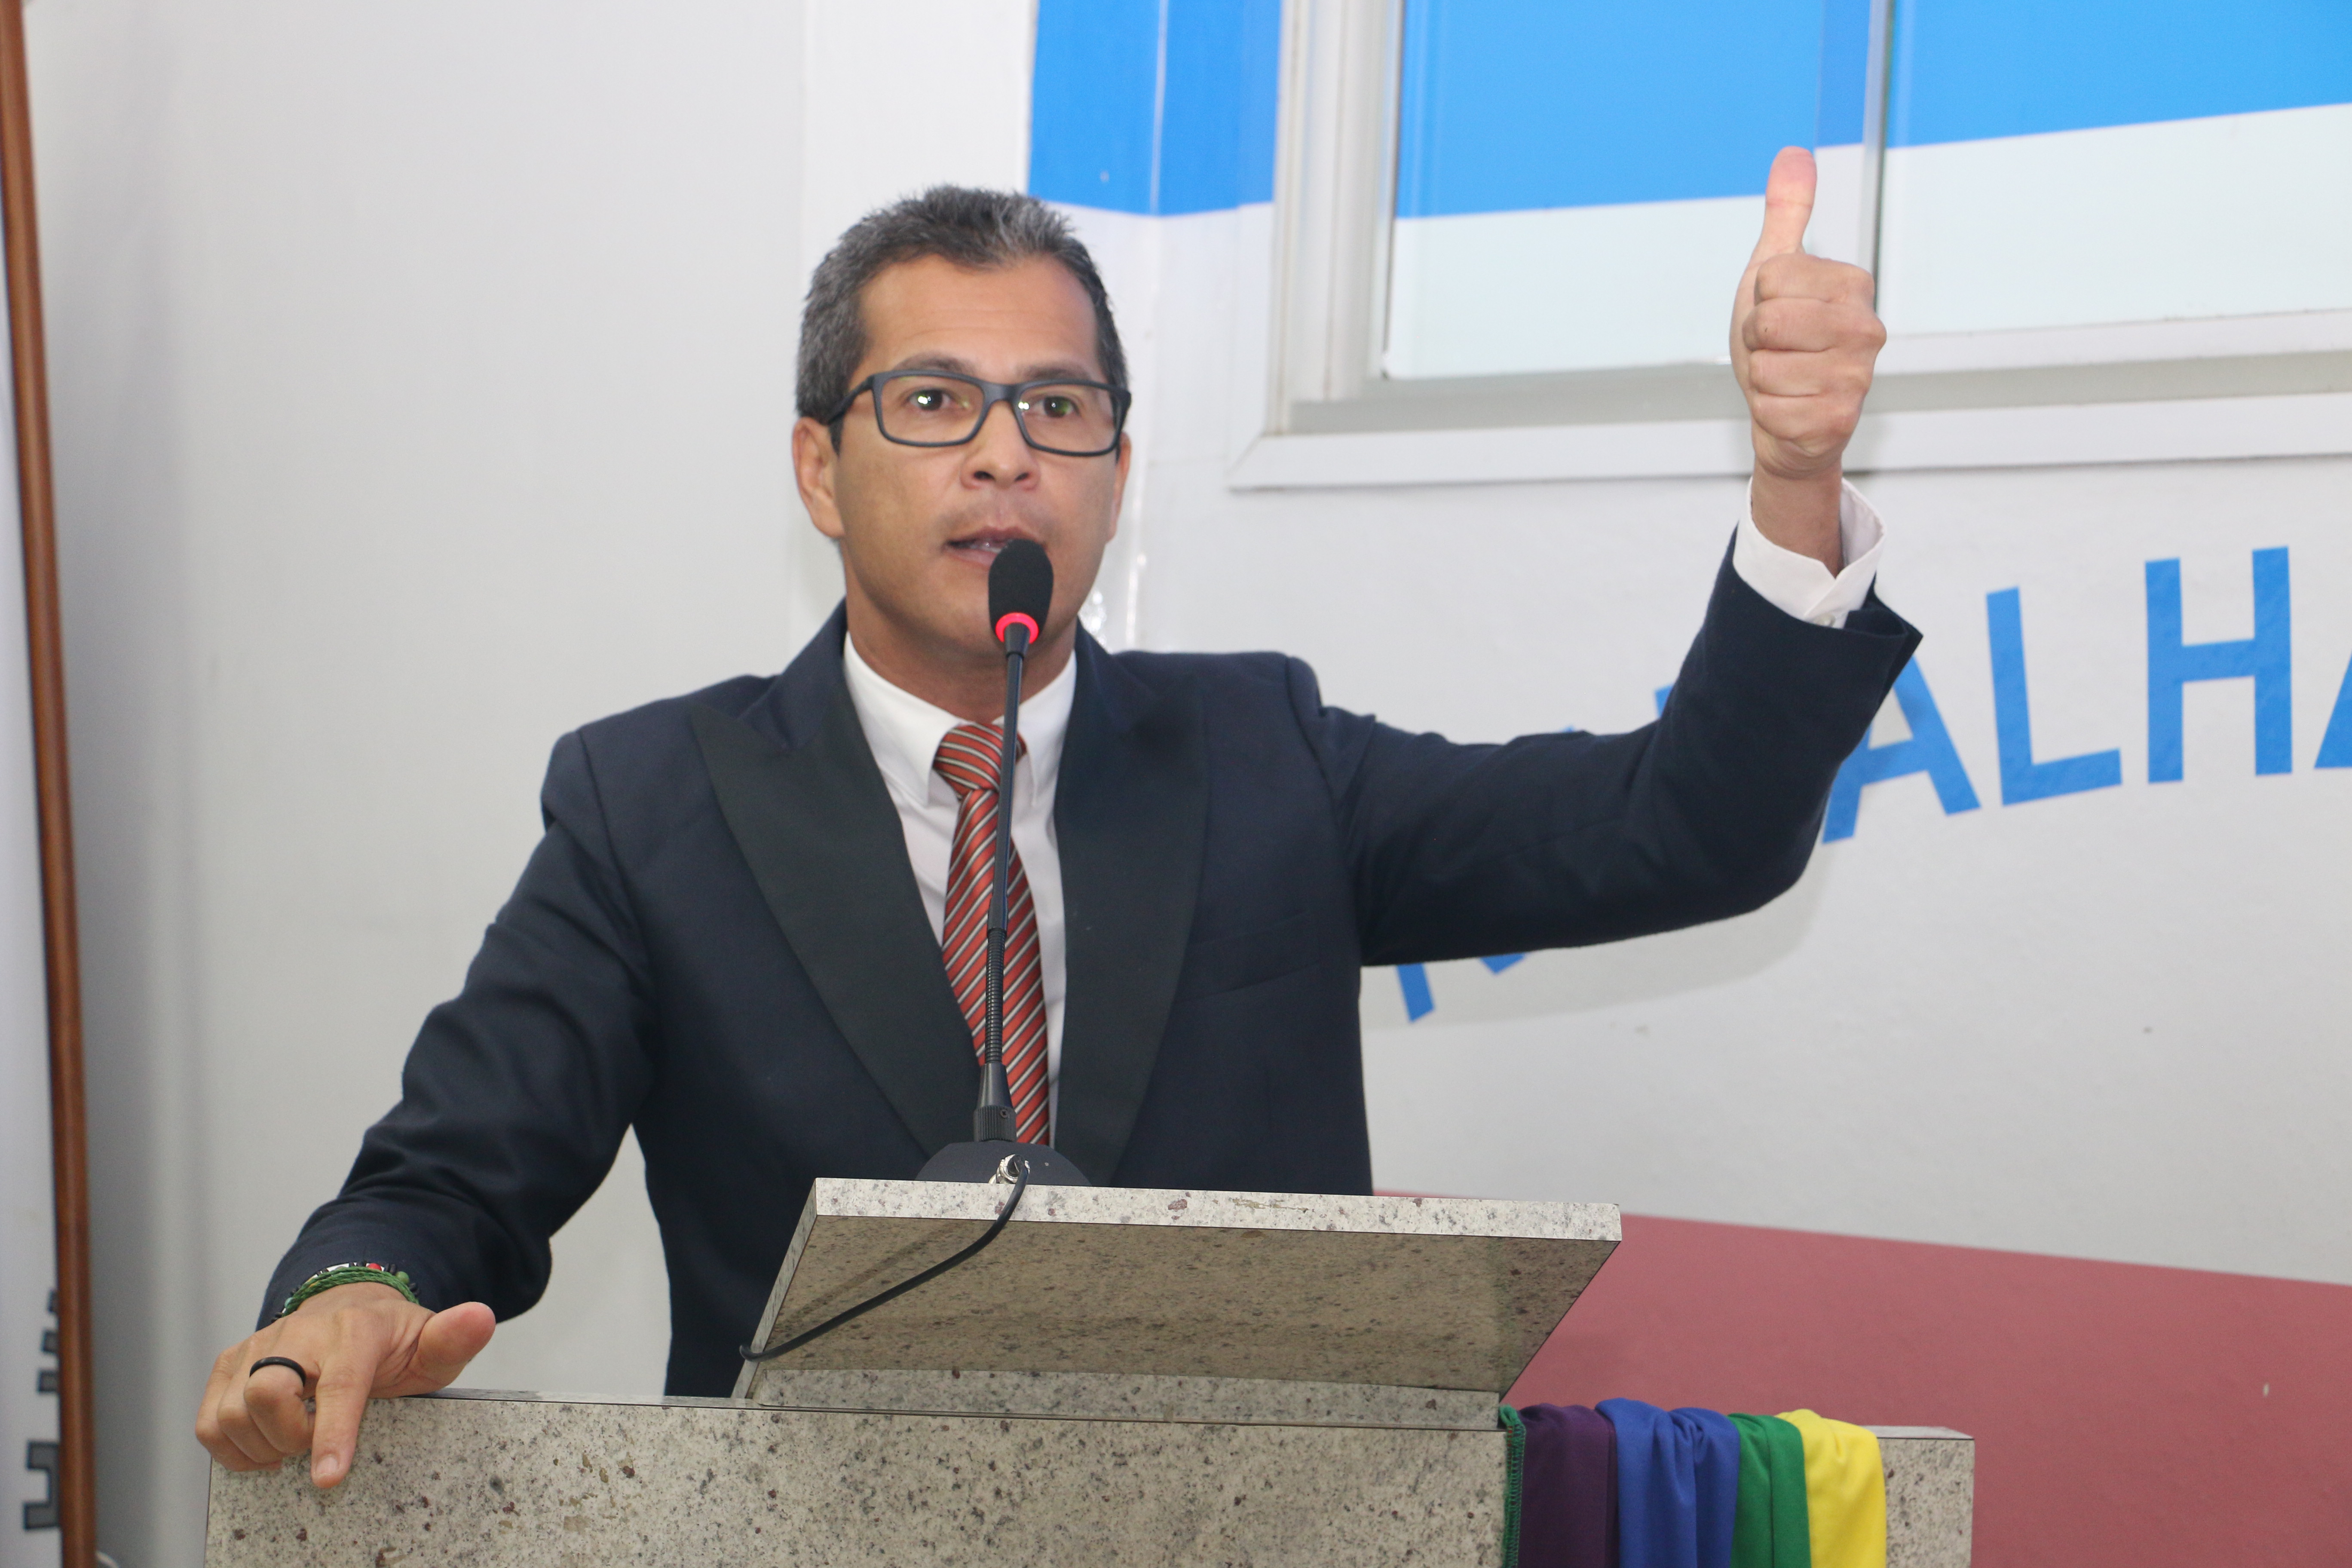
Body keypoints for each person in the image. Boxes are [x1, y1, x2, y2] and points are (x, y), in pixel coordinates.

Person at [196, 153, 1914, 1488]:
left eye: (1059, 409)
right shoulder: (653, 806)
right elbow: (451, 1176)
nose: (1005, 456)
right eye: (934, 402)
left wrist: (1794, 483)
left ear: (1115, 471)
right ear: (820, 468)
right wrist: (348, 1298)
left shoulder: (1266, 753)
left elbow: (1683, 831)